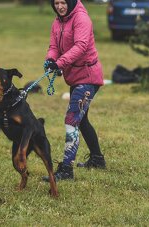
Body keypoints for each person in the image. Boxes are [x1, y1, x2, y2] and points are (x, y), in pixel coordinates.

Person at [43, 0, 105, 182]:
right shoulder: (58, 21)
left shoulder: (81, 18)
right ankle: (97, 160)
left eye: (63, 2)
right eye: (56, 3)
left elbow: (81, 46)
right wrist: (50, 60)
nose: (60, 6)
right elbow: (54, 47)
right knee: (82, 120)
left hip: (87, 77)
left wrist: (59, 63)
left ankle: (66, 170)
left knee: (72, 120)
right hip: (75, 77)